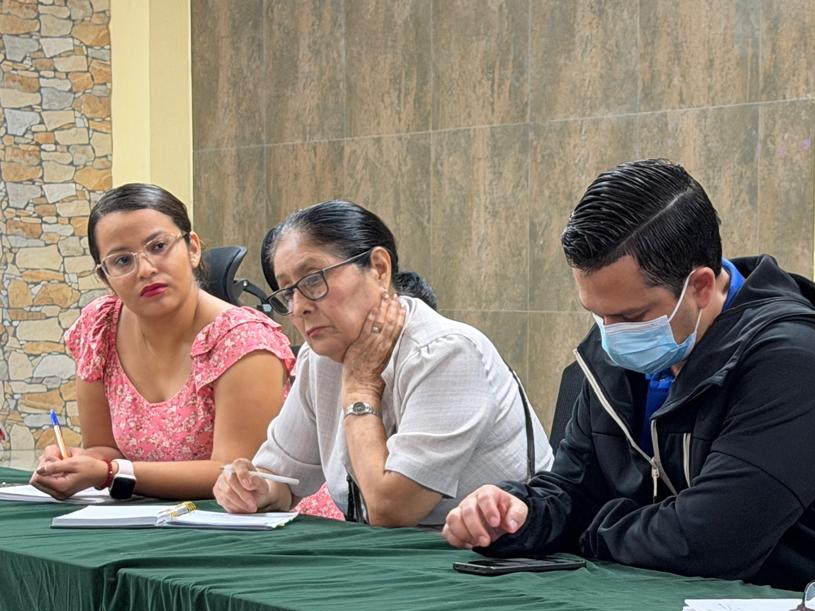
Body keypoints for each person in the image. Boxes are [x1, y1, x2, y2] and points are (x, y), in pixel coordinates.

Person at [443, 158, 815, 589]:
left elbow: (707, 540)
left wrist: (584, 532)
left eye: (631, 316)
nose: (611, 335)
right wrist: (519, 514)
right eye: (597, 315)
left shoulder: (795, 363)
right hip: (643, 594)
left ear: (700, 286)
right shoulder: (623, 345)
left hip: (776, 610)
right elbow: (574, 490)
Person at [214, 200, 552, 526]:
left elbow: (391, 510)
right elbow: (281, 477)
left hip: (495, 555)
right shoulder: (320, 360)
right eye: (288, 292)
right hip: (388, 555)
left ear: (379, 268)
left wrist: (360, 389)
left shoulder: (448, 353)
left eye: (313, 279)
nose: (299, 306)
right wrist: (252, 488)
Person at [30, 183, 295, 501]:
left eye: (158, 246)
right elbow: (104, 448)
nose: (145, 269)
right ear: (105, 277)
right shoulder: (100, 328)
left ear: (193, 248)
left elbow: (237, 474)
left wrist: (112, 473)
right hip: (151, 515)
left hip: (258, 517)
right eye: (122, 261)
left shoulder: (244, 340)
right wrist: (76, 461)